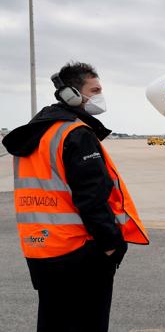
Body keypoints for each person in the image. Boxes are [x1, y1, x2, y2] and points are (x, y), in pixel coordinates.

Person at [2, 62, 149, 332]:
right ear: (71, 94)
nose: (100, 96)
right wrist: (110, 244)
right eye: (95, 90)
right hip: (79, 251)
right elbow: (92, 198)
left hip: (40, 248)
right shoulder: (75, 134)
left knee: (53, 321)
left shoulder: (36, 135)